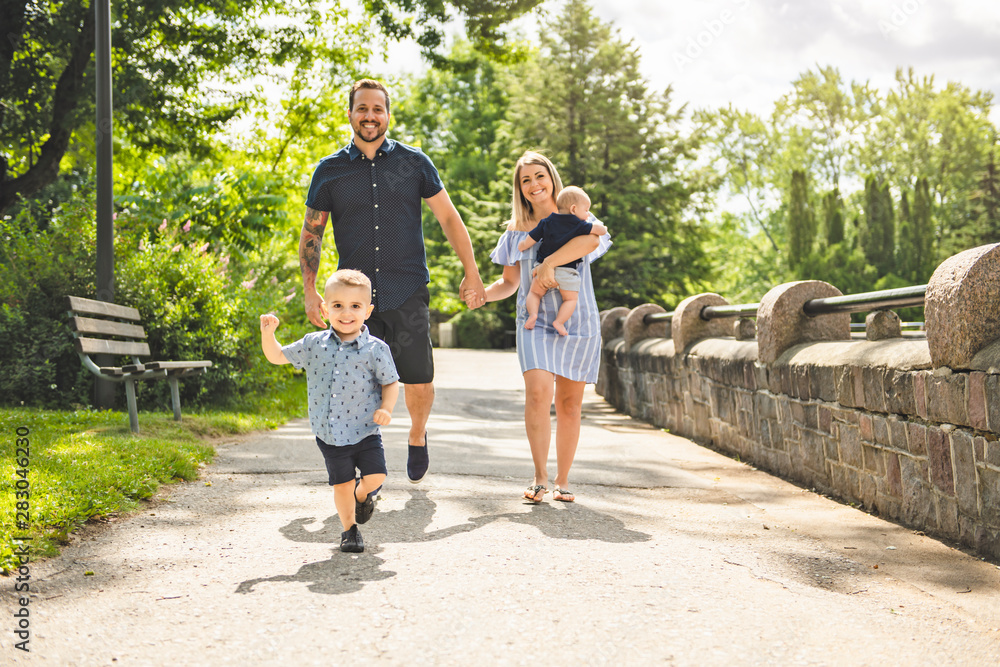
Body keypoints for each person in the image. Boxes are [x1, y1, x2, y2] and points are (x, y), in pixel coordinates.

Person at [298, 78, 487, 484]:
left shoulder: (414, 163)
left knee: (418, 378)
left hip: (407, 289)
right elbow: (312, 232)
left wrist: (471, 271)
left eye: (377, 109)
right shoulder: (329, 171)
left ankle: (417, 434)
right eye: (362, 108)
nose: (370, 116)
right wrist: (310, 291)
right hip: (354, 300)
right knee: (357, 383)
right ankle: (368, 468)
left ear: (388, 114)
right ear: (350, 114)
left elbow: (448, 217)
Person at [471, 152, 611, 503]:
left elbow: (592, 241)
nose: (534, 184)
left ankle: (563, 481)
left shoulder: (577, 215)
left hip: (577, 321)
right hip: (533, 323)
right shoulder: (515, 232)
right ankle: (540, 478)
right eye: (526, 180)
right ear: (519, 188)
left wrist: (548, 262)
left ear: (552, 178)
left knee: (570, 404)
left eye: (539, 176)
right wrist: (482, 295)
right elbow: (509, 282)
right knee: (537, 393)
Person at [260, 269, 400, 553]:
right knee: (341, 484)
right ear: (325, 309)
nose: (346, 313)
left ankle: (362, 494)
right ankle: (350, 531)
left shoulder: (376, 349)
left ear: (367, 311)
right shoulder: (314, 344)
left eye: (355, 306)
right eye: (338, 305)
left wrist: (386, 408)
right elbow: (277, 356)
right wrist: (268, 334)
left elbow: (390, 382)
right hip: (331, 433)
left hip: (365, 430)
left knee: (376, 477)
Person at [517, 186, 608, 336]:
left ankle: (532, 315)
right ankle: (559, 322)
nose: (588, 214)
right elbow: (600, 231)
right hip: (566, 272)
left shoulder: (547, 222)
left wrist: (522, 245)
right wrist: (602, 227)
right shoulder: (579, 224)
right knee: (570, 299)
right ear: (573, 209)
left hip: (541, 270)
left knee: (534, 293)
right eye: (586, 210)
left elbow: (531, 238)